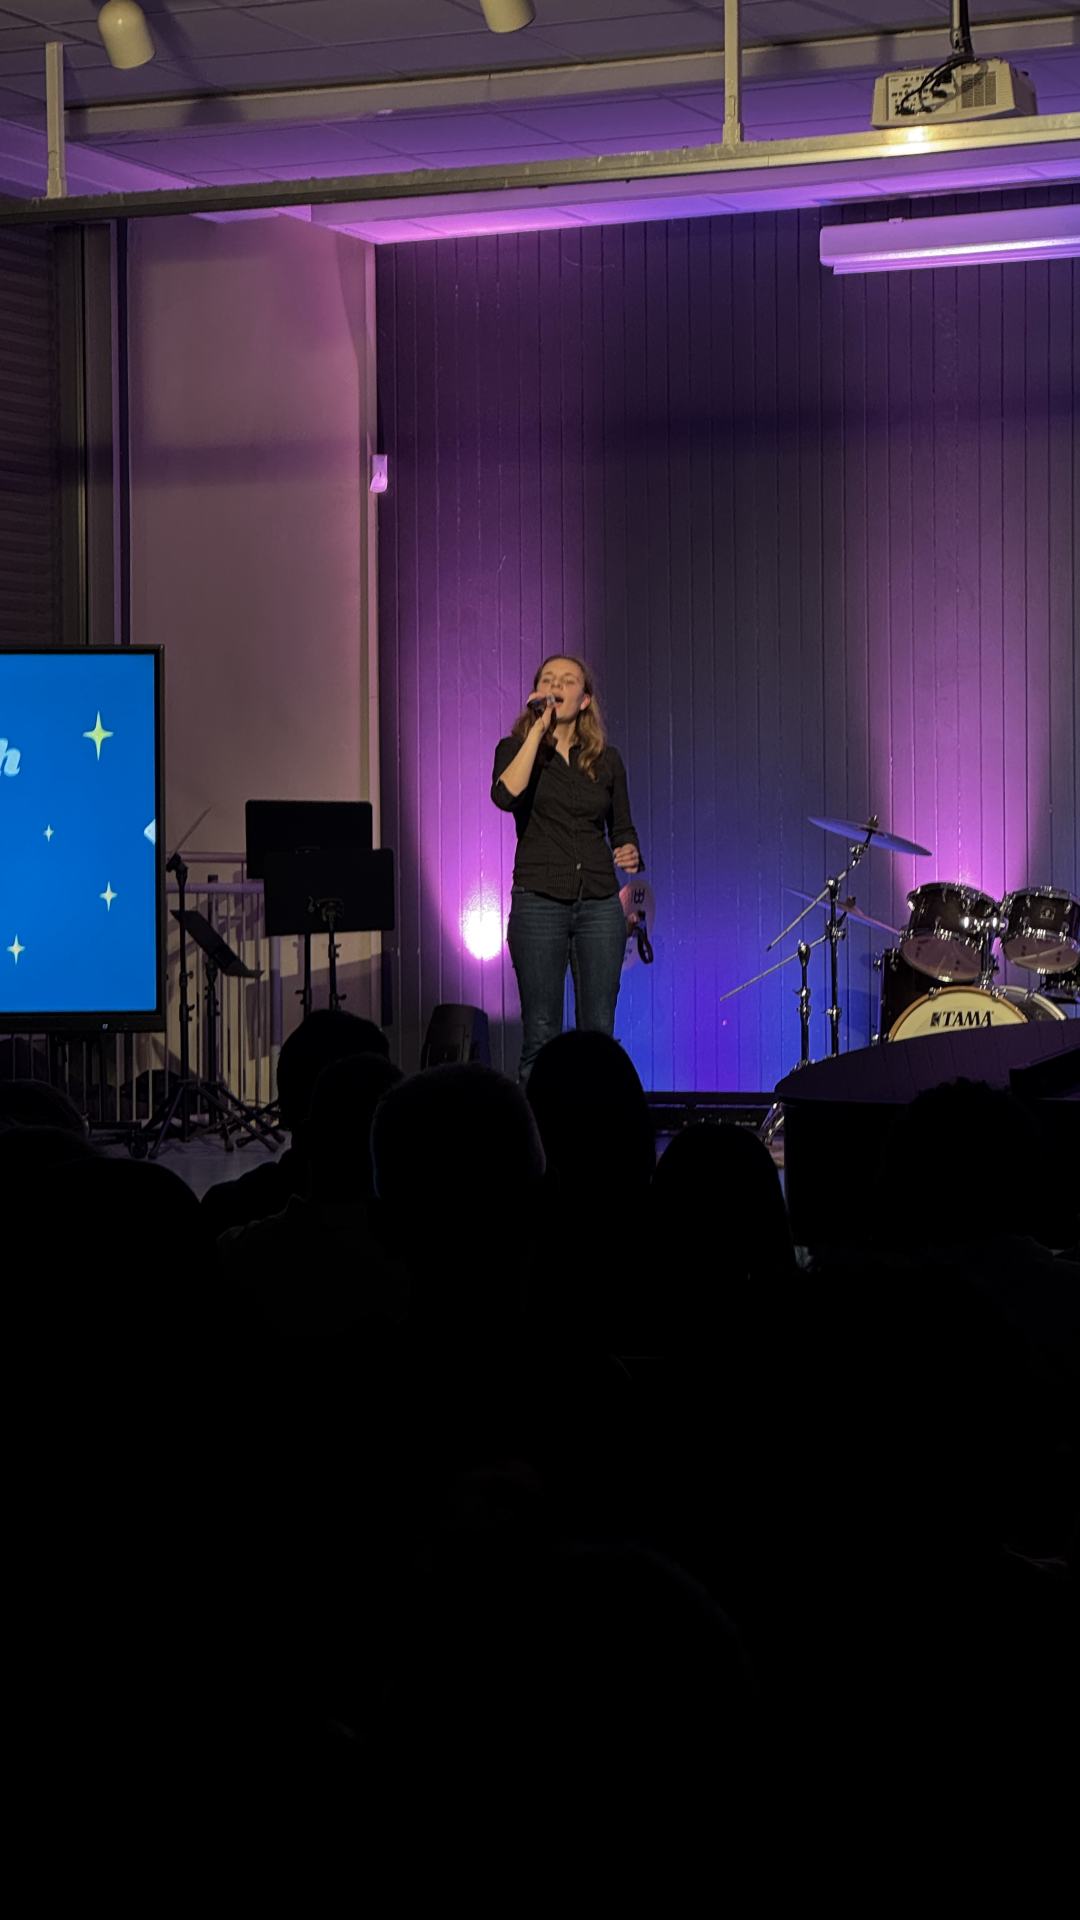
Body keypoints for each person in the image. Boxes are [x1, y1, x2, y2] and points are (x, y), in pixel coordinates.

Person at [491, 655, 643, 1081]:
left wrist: (629, 849)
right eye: (548, 679)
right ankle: (538, 1123)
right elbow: (506, 796)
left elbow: (622, 827)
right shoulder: (515, 749)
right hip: (539, 900)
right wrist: (537, 731)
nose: (556, 685)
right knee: (541, 1033)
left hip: (598, 902)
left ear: (585, 699)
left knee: (599, 1034)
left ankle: (596, 1120)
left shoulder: (606, 759)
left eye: (567, 679)